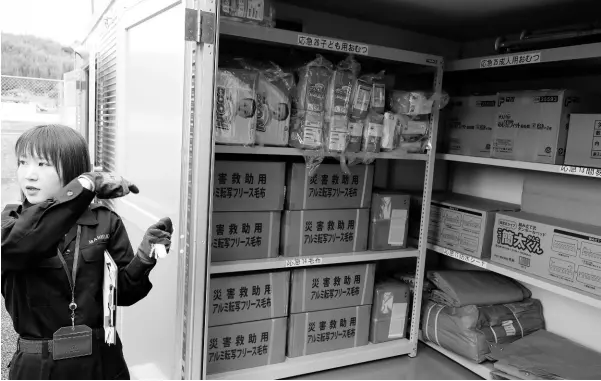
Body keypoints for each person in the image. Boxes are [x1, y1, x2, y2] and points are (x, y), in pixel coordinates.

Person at [1, 124, 173, 380]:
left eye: (43, 164)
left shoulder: (105, 221)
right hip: (39, 365)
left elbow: (122, 293)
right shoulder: (11, 224)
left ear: (71, 169)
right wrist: (85, 184)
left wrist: (144, 259)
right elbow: (22, 246)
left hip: (101, 359)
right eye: (23, 162)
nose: (29, 175)